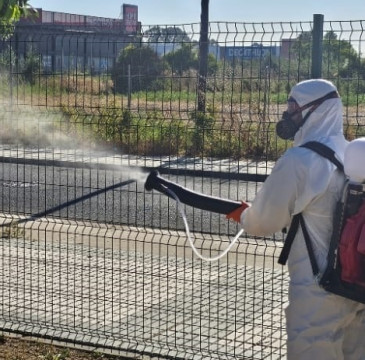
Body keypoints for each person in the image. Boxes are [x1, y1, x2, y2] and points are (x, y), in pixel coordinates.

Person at [227, 79, 365, 359]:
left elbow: (262, 223)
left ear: (318, 110)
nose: (288, 114)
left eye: (294, 107)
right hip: (356, 282)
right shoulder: (350, 152)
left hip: (317, 291)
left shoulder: (300, 160)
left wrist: (243, 215)